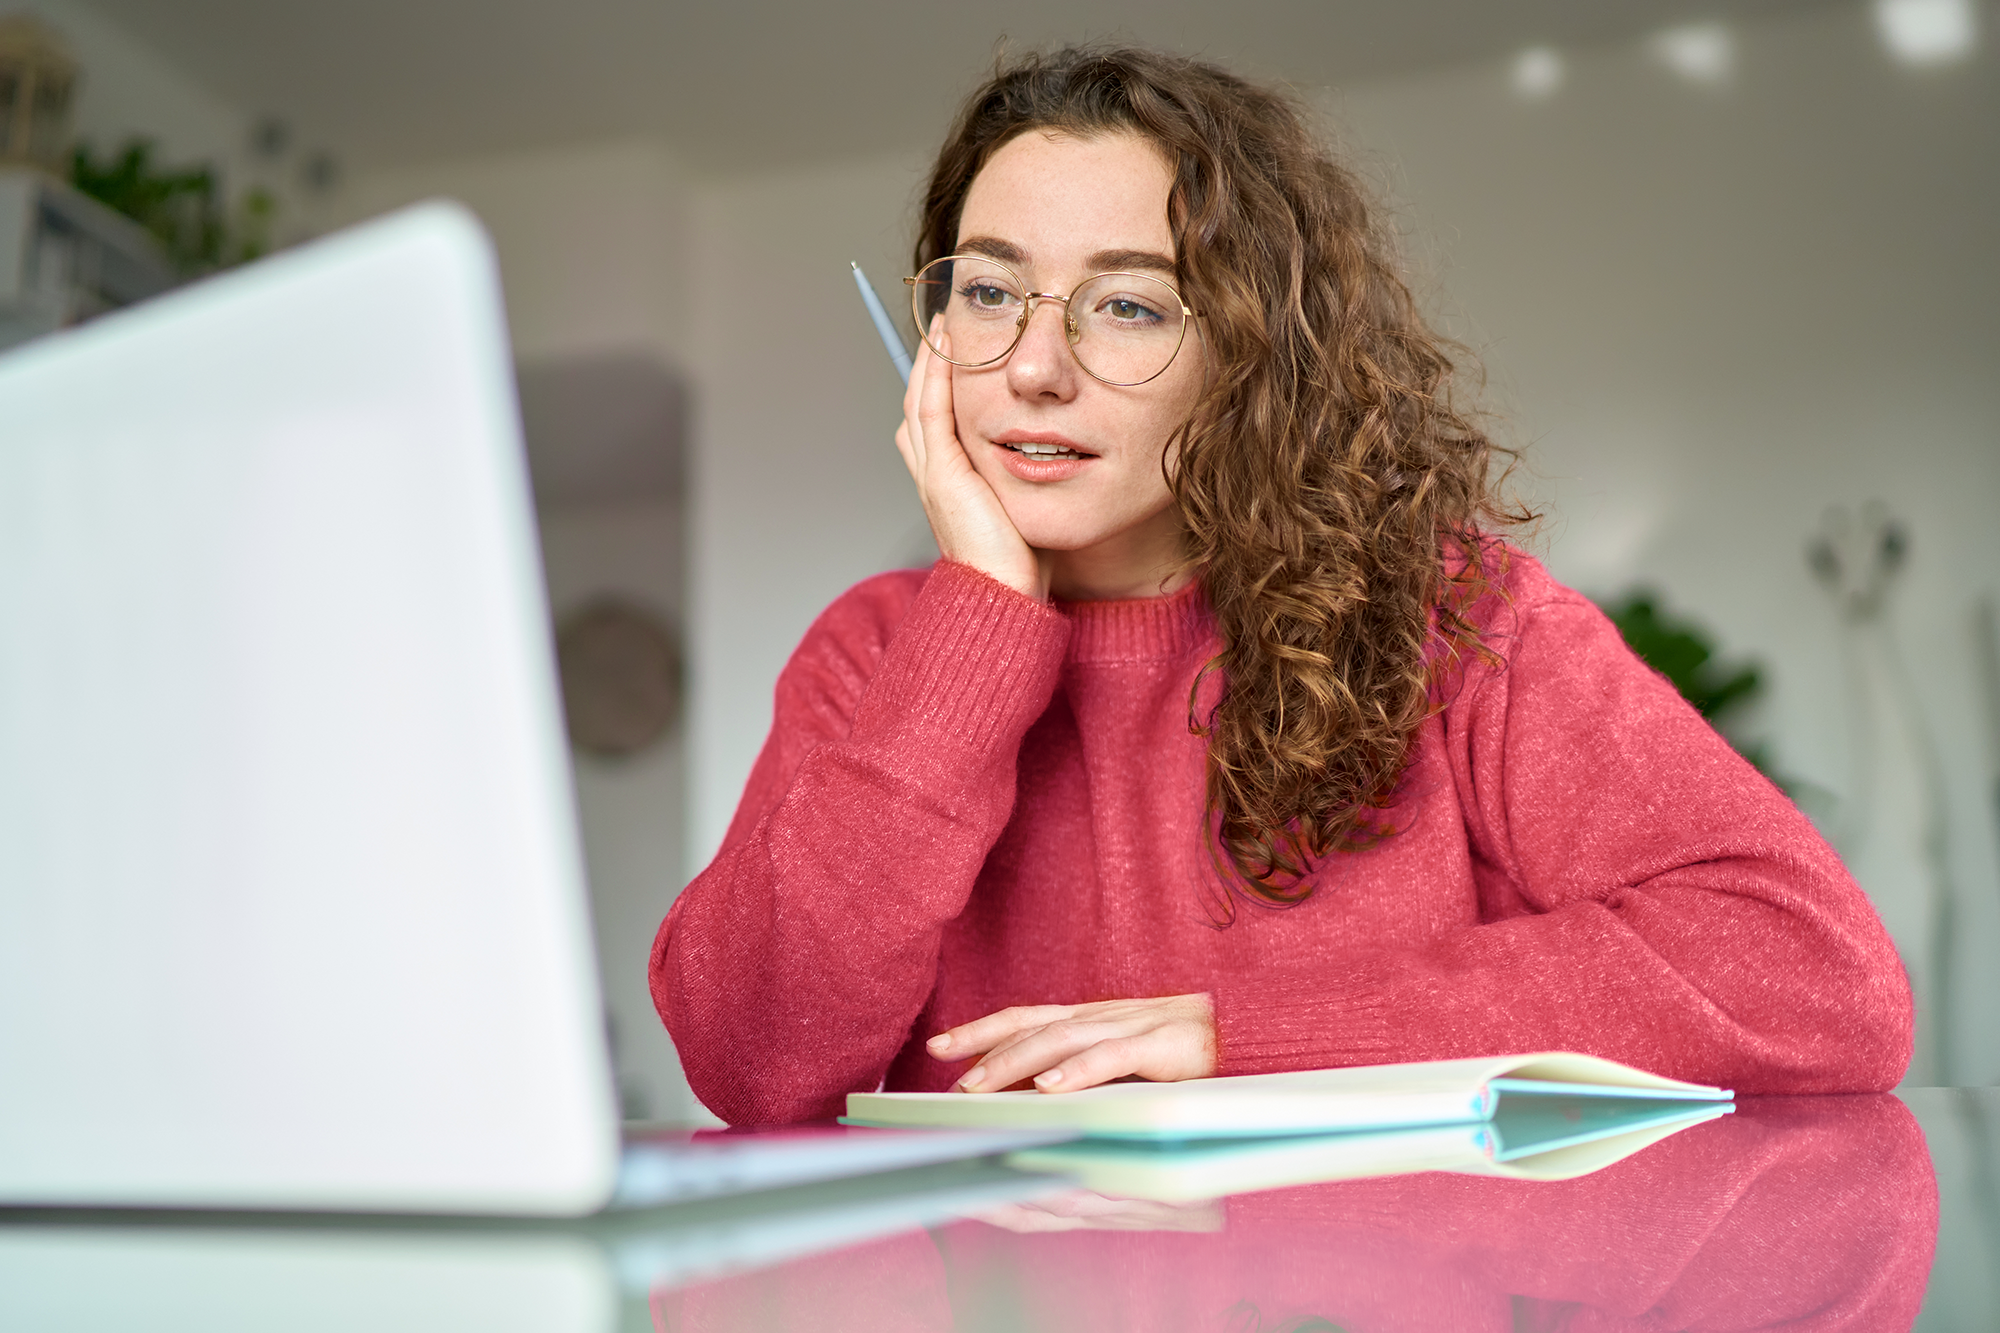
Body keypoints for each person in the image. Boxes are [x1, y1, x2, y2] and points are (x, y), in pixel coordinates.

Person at [650, 46, 1910, 1127]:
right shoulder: (877, 652)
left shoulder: (1455, 620)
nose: (1033, 365)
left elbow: (1811, 974)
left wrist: (1240, 1038)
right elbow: (751, 1061)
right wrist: (980, 612)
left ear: (1251, 357)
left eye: (1127, 306)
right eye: (986, 292)